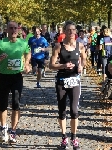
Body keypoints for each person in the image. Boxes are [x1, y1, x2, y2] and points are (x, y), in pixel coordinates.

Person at [0, 21, 31, 144]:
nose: (13, 30)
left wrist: (27, 64)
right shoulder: (1, 43)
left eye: (15, 28)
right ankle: (4, 128)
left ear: (19, 30)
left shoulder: (23, 42)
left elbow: (28, 52)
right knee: (3, 104)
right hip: (4, 77)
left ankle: (13, 131)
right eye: (11, 28)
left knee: (16, 104)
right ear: (6, 30)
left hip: (17, 77)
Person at [49, 21, 86, 150]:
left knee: (74, 110)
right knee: (62, 110)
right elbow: (51, 65)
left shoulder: (80, 46)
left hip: (75, 80)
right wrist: (63, 66)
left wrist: (81, 66)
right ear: (64, 31)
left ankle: (74, 137)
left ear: (76, 32)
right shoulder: (58, 46)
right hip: (61, 81)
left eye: (73, 30)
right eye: (69, 30)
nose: (71, 32)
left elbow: (84, 59)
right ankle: (64, 137)